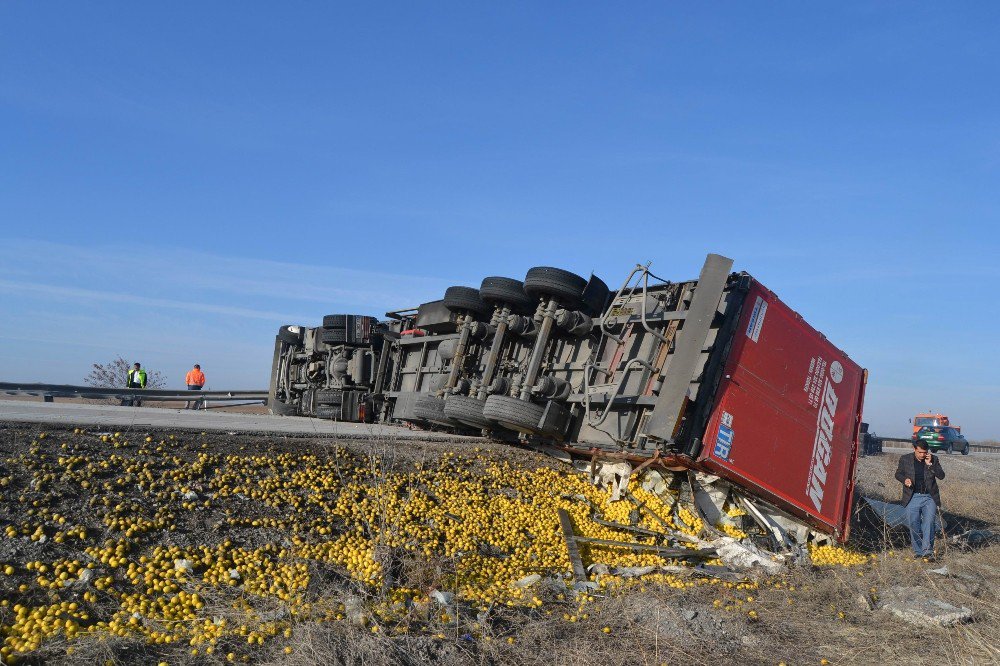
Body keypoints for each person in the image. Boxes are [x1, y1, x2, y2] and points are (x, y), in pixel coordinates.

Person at [895, 440, 945, 560]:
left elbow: (941, 476)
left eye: (924, 452)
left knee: (929, 523)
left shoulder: (934, 459)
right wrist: (905, 480)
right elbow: (898, 474)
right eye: (920, 452)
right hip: (912, 496)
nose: (922, 455)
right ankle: (918, 551)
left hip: (929, 497)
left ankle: (927, 551)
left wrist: (930, 464)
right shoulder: (905, 459)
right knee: (914, 524)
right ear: (914, 449)